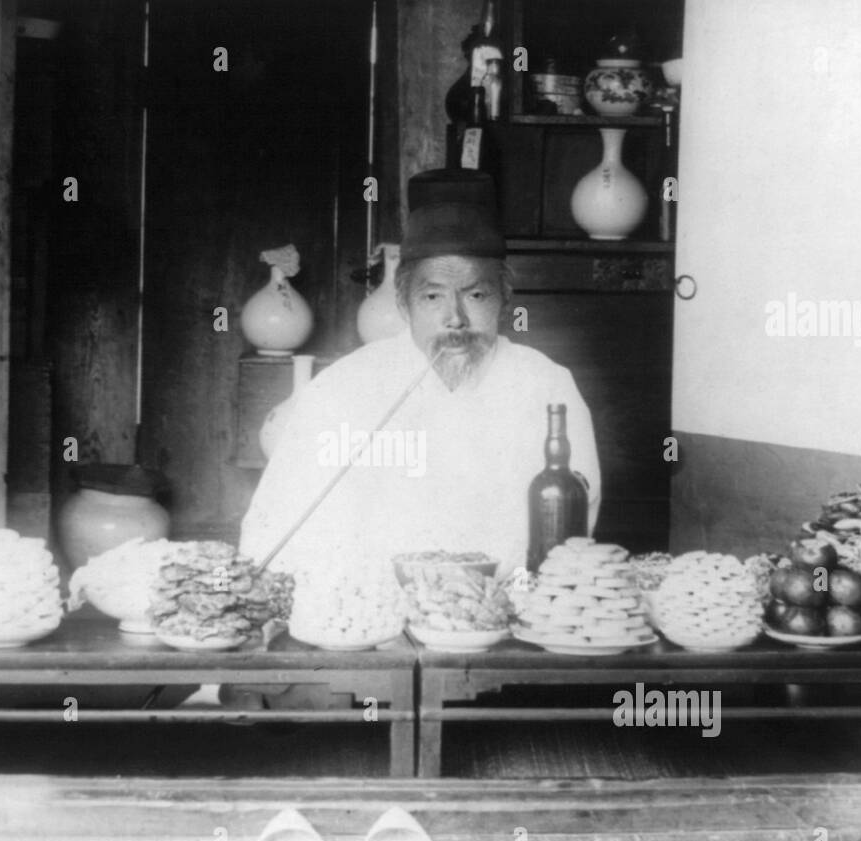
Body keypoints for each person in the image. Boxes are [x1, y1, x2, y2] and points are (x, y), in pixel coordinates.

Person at [239, 168, 600, 583]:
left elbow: (569, 543)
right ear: (404, 303)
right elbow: (273, 528)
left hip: (505, 616)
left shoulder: (547, 386)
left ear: (504, 299)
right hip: (374, 622)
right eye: (433, 296)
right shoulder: (343, 387)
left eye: (476, 294)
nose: (455, 318)